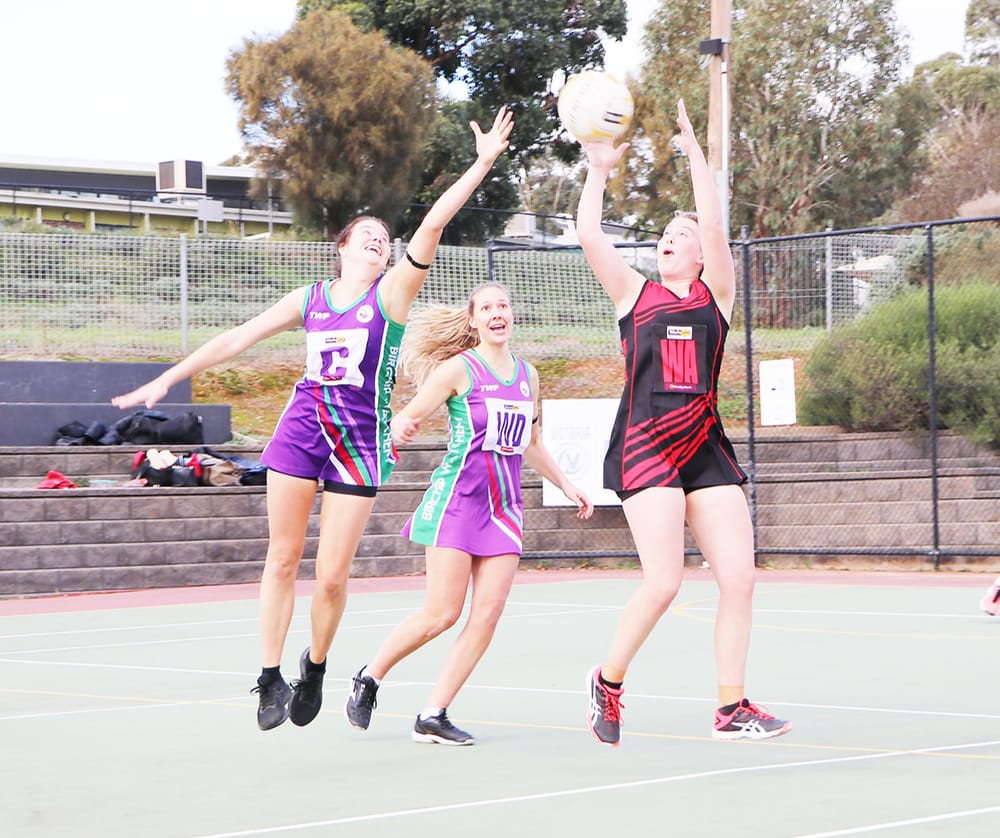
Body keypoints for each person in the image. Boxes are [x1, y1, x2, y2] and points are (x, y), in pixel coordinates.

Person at [111, 107, 515, 731]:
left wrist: (483, 161)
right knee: (281, 557)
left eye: (385, 237)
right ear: (343, 248)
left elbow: (432, 224)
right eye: (368, 234)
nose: (379, 240)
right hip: (303, 427)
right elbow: (236, 339)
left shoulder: (391, 296)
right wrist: (168, 377)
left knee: (330, 579)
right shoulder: (311, 300)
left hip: (358, 438)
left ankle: (317, 664)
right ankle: (270, 676)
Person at [574, 98, 791, 746]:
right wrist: (600, 170)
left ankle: (732, 707)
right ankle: (608, 681)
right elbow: (589, 233)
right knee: (664, 582)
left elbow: (717, 226)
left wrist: (697, 152)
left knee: (740, 578)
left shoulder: (715, 295)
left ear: (700, 254)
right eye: (666, 232)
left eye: (683, 233)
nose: (672, 236)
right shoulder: (632, 295)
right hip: (646, 448)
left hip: (702, 446)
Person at [343, 283, 594, 745]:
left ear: (511, 316)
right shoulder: (459, 369)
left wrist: (568, 485)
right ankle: (370, 675)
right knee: (442, 613)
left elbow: (532, 444)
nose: (497, 313)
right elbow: (407, 416)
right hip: (458, 501)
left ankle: (433, 714)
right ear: (474, 320)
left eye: (503, 305)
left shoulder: (528, 376)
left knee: (487, 614)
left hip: (504, 508)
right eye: (487, 308)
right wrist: (401, 426)